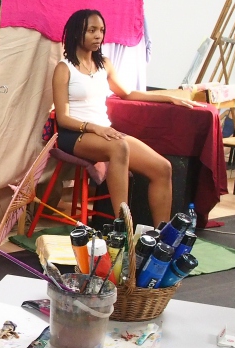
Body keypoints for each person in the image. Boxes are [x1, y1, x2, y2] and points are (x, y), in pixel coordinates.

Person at [52, 9, 205, 227]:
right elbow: (63, 118)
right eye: (92, 30)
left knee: (163, 168)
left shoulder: (104, 64)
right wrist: (94, 128)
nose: (98, 36)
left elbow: (128, 93)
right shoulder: (64, 68)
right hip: (74, 134)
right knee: (120, 147)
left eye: (101, 30)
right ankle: (122, 227)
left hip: (105, 134)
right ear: (77, 33)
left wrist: (169, 98)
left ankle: (161, 235)